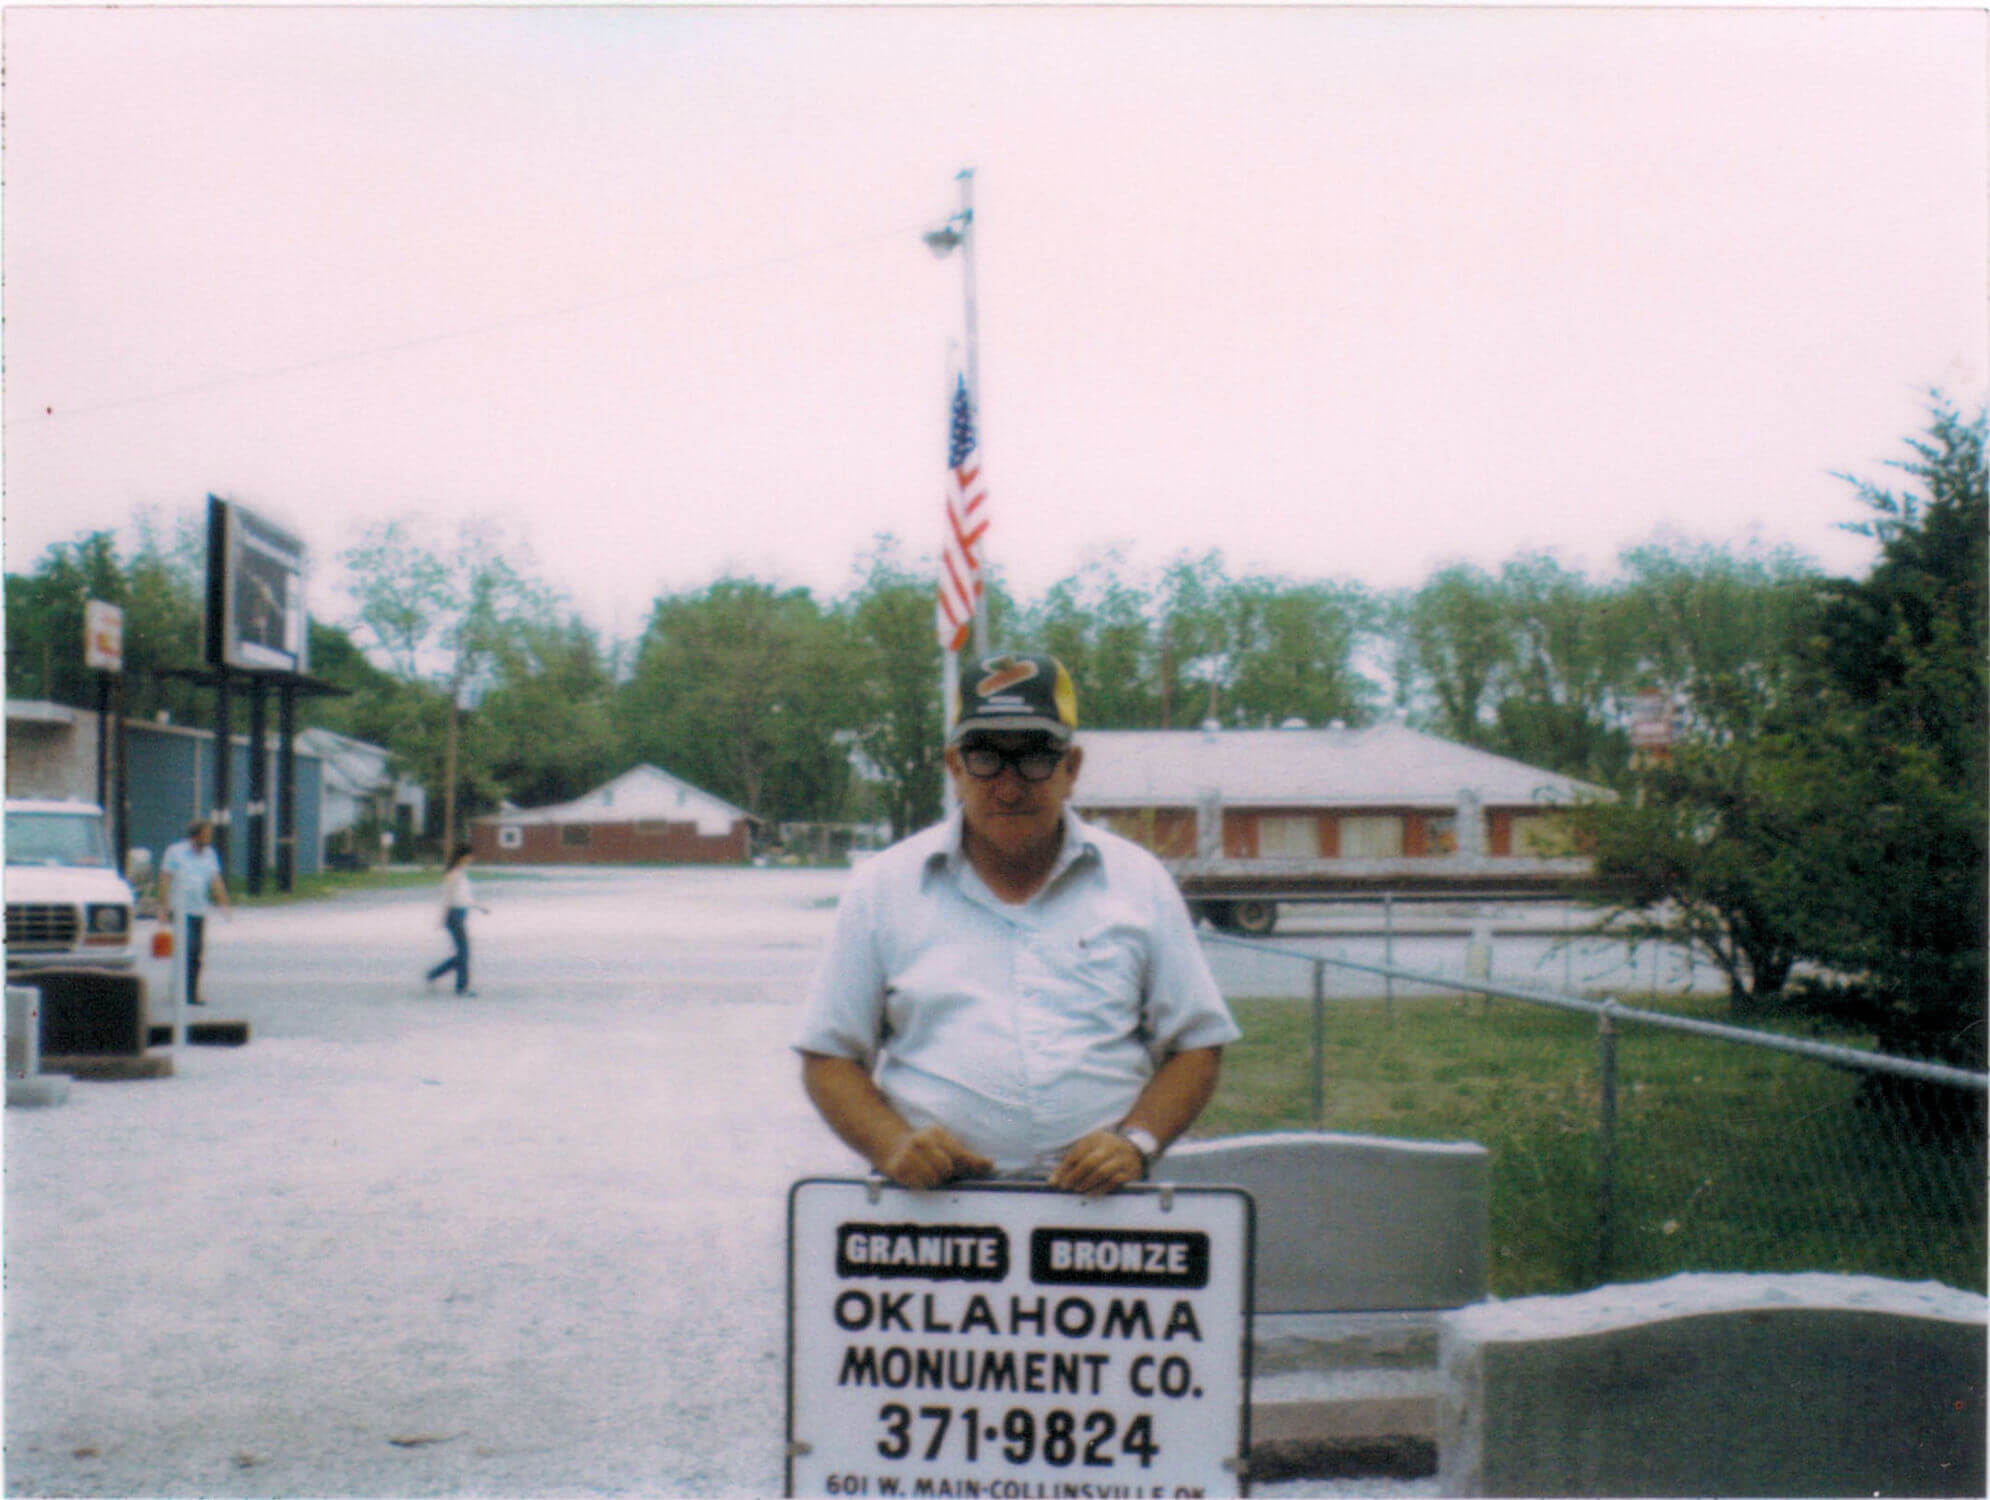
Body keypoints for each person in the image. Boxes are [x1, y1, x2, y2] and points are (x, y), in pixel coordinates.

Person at [796, 652, 1240, 1197]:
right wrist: (891, 1144)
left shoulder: (1138, 883)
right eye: (986, 758)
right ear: (954, 768)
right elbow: (829, 1056)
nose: (1008, 787)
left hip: (1108, 1218)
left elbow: (1197, 1046)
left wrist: (1135, 1144)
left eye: (1034, 757)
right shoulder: (882, 888)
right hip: (933, 1212)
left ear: (1071, 769)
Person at [157, 820, 231, 1006]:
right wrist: (162, 907)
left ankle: (191, 992)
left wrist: (224, 904)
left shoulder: (210, 855)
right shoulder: (175, 852)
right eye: (206, 834)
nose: (209, 838)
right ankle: (180, 991)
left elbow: (215, 881)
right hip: (180, 909)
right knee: (186, 949)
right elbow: (165, 879)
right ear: (196, 835)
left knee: (196, 952)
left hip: (199, 909)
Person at [424, 846, 489, 996]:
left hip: (460, 913)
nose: (472, 859)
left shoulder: (461, 873)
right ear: (462, 857)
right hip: (454, 915)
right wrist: (443, 916)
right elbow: (447, 896)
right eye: (469, 856)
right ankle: (461, 988)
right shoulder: (454, 874)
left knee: (462, 953)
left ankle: (434, 975)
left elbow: (464, 896)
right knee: (464, 953)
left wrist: (479, 907)